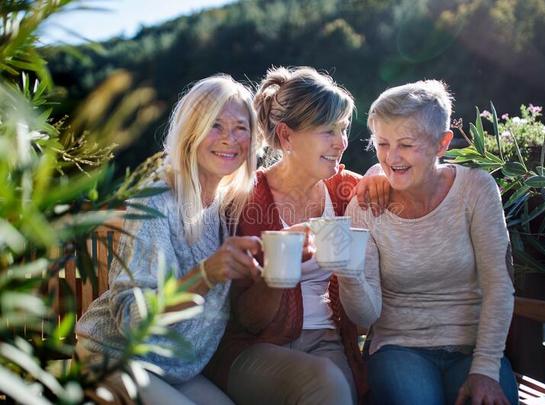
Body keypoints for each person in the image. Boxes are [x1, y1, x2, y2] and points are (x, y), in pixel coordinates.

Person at [75, 75, 263, 405]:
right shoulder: (157, 202)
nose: (229, 139)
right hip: (116, 358)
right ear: (191, 132)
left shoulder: (224, 204)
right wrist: (204, 276)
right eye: (214, 125)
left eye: (240, 128)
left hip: (176, 371)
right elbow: (133, 321)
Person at [339, 80, 519, 405]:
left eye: (406, 144)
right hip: (397, 348)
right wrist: (347, 273)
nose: (391, 157)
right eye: (382, 143)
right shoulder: (366, 205)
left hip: (472, 350)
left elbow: (499, 287)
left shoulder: (476, 190)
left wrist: (485, 370)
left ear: (442, 143)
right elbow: (365, 316)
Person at [205, 66, 374, 405]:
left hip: (328, 340)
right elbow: (248, 321)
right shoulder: (243, 199)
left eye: (342, 129)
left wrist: (381, 177)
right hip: (254, 347)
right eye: (328, 130)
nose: (341, 143)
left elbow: (400, 181)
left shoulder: (348, 191)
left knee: (345, 391)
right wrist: (280, 267)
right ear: (286, 137)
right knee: (326, 384)